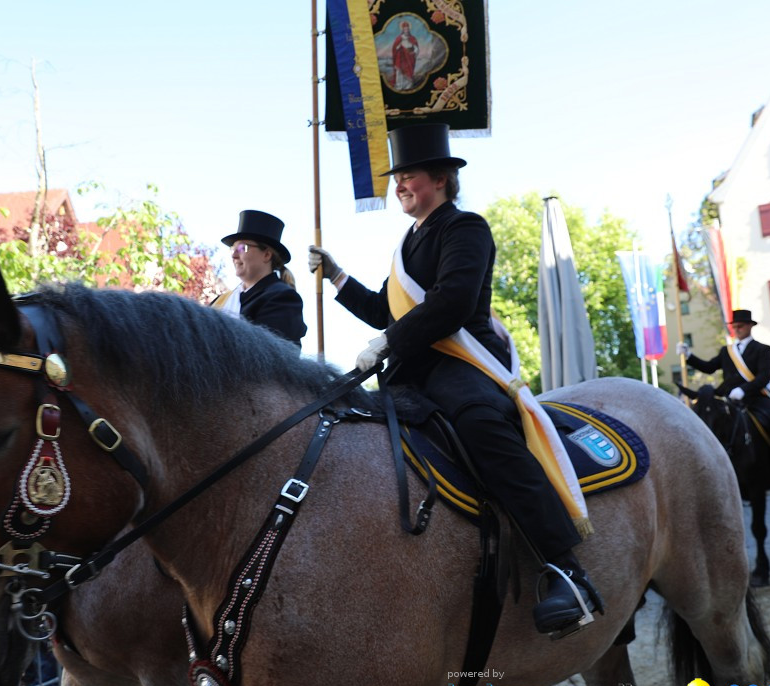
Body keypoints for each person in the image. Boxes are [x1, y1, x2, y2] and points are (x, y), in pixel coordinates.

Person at [308, 123, 600, 636]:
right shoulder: (407, 244)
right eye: (396, 177)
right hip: (408, 373)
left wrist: (389, 343)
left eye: (408, 176)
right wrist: (337, 276)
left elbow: (452, 304)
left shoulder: (466, 228)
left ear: (440, 179)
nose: (398, 185)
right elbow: (385, 310)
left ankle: (566, 570)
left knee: (480, 426)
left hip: (461, 364)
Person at [678, 309, 770, 484]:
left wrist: (744, 389)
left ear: (750, 326)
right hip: (730, 401)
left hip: (756, 398)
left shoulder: (762, 349)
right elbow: (709, 367)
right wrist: (688, 355)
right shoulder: (727, 351)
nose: (737, 329)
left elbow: (764, 376)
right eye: (734, 326)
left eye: (740, 326)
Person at [211, 210, 306, 347]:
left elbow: (272, 359)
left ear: (267, 255)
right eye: (233, 249)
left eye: (242, 248)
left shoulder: (282, 298)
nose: (234, 256)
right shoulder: (222, 300)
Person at [391, 20, 420, 91]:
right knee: (400, 71)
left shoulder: (412, 38)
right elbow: (395, 48)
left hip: (410, 57)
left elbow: (416, 48)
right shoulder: (399, 38)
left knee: (408, 72)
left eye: (407, 29)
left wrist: (414, 52)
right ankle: (399, 85)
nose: (406, 30)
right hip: (401, 57)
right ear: (403, 30)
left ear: (409, 29)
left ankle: (408, 86)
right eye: (405, 29)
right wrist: (400, 46)